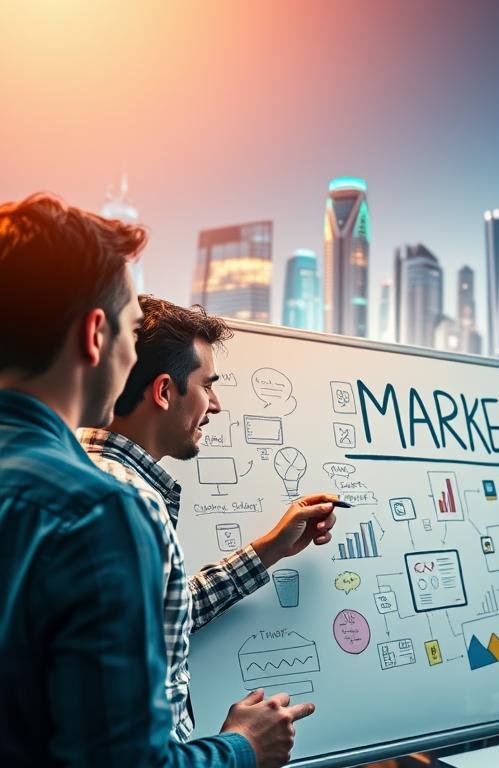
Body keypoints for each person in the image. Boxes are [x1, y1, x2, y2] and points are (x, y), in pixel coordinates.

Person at [0, 193, 313, 767]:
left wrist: (267, 549)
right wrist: (242, 749)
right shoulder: (103, 509)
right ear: (96, 335)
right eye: (130, 330)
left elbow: (146, 614)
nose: (130, 355)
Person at [78, 294, 339, 742]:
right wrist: (240, 749)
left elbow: (163, 617)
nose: (215, 405)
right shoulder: (125, 503)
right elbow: (127, 740)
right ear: (164, 391)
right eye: (207, 386)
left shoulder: (85, 475)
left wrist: (268, 550)